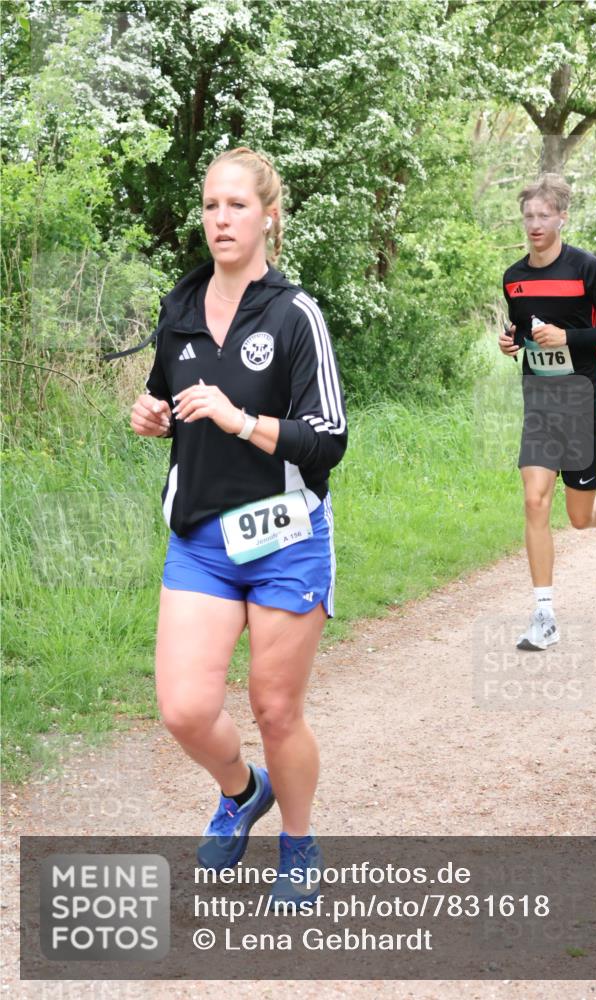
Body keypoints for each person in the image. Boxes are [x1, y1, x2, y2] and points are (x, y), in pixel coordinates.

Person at [130, 146, 347, 906]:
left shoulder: (295, 315)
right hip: (201, 538)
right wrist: (152, 417)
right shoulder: (180, 308)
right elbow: (165, 397)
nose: (221, 219)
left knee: (275, 709)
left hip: (285, 535)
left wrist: (240, 420)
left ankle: (299, 843)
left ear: (268, 217)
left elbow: (328, 439)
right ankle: (242, 790)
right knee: (185, 709)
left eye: (237, 205)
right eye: (211, 206)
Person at [499, 173, 596, 651]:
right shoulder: (514, 278)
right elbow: (523, 329)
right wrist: (512, 342)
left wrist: (569, 337)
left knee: (579, 516)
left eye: (544, 215)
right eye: (529, 216)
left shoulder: (586, 269)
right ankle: (544, 616)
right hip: (541, 399)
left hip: (584, 398)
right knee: (535, 500)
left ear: (562, 218)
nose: (535, 224)